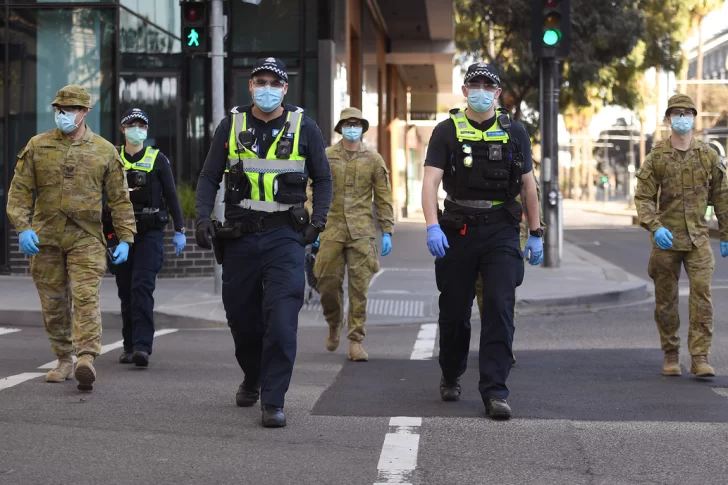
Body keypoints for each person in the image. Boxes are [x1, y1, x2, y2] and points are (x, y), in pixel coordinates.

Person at [194, 58, 333, 428]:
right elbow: (209, 175)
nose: (266, 87)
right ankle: (253, 375)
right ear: (251, 86)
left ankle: (273, 399)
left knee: (282, 320)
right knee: (242, 319)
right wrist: (202, 216)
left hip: (285, 235)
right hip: (239, 235)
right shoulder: (232, 124)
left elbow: (323, 179)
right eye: (260, 81)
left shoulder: (306, 127)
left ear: (285, 89)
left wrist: (317, 222)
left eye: (274, 82)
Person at [421, 63, 543, 420]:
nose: (480, 90)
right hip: (457, 229)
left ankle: (495, 391)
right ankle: (451, 372)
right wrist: (432, 226)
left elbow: (529, 186)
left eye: (487, 85)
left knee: (499, 308)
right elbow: (430, 183)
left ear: (497, 93)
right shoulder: (446, 131)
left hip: (501, 229)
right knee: (455, 311)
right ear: (464, 91)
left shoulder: (515, 132)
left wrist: (535, 234)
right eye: (474, 84)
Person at [6, 84, 136, 391]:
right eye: (59, 110)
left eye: (71, 110)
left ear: (85, 112)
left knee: (85, 297)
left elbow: (119, 199)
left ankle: (86, 358)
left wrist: (126, 237)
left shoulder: (104, 150)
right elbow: (19, 192)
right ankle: (63, 358)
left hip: (86, 238)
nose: (64, 115)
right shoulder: (38, 146)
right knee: (53, 304)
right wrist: (22, 227)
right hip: (45, 238)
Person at [635, 93, 728, 378]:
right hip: (667, 241)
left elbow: (722, 196)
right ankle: (671, 353)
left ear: (694, 118)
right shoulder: (657, 158)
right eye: (676, 114)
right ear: (668, 119)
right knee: (666, 301)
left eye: (687, 113)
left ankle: (700, 357)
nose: (682, 118)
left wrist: (725, 233)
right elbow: (644, 198)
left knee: (702, 298)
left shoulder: (708, 156)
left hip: (699, 240)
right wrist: (654, 226)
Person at [313, 107, 394, 361]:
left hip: (362, 232)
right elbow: (312, 189)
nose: (352, 127)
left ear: (362, 128)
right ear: (340, 128)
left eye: (356, 123)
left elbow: (383, 197)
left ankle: (356, 340)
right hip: (331, 229)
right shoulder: (325, 156)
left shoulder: (373, 159)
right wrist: (313, 223)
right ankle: (334, 322)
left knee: (359, 288)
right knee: (325, 282)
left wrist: (387, 231)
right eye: (348, 123)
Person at [108, 108, 187, 368]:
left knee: (142, 287)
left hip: (149, 232)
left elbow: (172, 195)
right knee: (125, 290)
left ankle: (142, 347)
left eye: (141, 125)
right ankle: (128, 345)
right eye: (131, 124)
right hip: (119, 234)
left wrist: (179, 229)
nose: (136, 129)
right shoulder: (112, 158)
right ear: (122, 129)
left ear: (147, 130)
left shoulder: (157, 159)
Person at [474, 170, 545, 366]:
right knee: (482, 293)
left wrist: (538, 234)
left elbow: (534, 200)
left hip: (513, 239)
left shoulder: (521, 165)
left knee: (504, 297)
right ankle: (492, 342)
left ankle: (504, 345)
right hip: (482, 235)